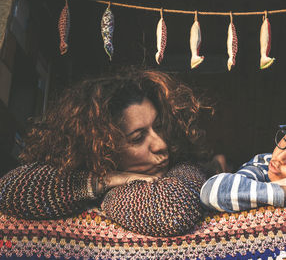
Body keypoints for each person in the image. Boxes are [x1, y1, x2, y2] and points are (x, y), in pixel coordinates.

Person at [0, 67, 214, 236]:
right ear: (103, 146)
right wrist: (106, 180)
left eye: (158, 127)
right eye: (138, 138)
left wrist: (110, 195)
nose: (161, 145)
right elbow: (8, 190)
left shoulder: (184, 169)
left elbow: (171, 211)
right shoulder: (87, 175)